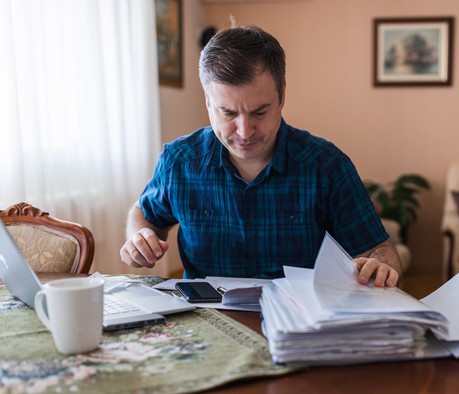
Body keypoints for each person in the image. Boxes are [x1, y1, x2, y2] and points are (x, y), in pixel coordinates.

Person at [120, 23, 401, 287]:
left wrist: (381, 266)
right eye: (228, 113)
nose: (244, 131)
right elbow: (143, 214)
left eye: (259, 112)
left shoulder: (327, 166)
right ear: (208, 103)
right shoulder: (179, 161)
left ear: (282, 97)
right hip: (205, 318)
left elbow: (378, 249)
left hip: (300, 320)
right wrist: (139, 238)